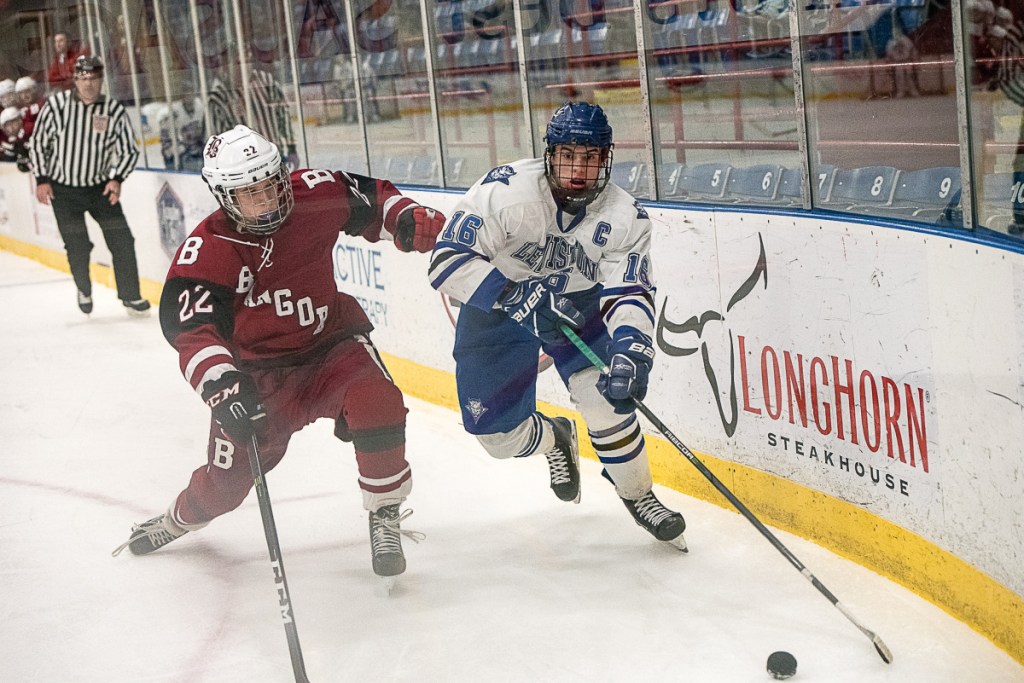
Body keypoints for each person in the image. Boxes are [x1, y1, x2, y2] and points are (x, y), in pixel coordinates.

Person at [112, 125, 447, 582]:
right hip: (257, 375)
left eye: (270, 185)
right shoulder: (209, 249)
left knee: (378, 402)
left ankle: (384, 515)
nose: (267, 201)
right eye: (250, 194)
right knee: (224, 488)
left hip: (330, 347)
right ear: (224, 195)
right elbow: (191, 329)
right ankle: (178, 519)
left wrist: (406, 217)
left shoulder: (313, 192)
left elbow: (373, 199)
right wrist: (222, 386)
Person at [428, 102, 687, 549]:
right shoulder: (506, 193)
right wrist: (514, 295)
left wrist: (631, 348)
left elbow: (629, 292)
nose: (579, 169)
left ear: (606, 159)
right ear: (550, 154)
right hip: (497, 308)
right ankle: (555, 439)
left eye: (591, 158)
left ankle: (638, 494)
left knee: (608, 398)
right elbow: (446, 262)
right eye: (569, 155)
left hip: (577, 307)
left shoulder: (625, 215)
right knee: (496, 437)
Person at [28, 55, 151, 316]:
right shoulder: (57, 106)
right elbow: (38, 143)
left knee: (122, 240)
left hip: (99, 189)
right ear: (75, 80)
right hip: (63, 191)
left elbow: (129, 151)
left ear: (101, 80)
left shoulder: (113, 110)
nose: (89, 84)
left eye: (94, 78)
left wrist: (117, 178)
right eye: (84, 78)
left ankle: (131, 296)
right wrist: (41, 179)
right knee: (77, 245)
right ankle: (83, 288)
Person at [0, 107, 30, 172]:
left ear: (20, 120)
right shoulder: (6, 141)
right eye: (7, 125)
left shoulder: (28, 130)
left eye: (13, 122)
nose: (11, 127)